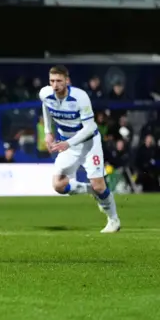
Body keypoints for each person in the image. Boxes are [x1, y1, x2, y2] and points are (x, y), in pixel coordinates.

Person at [40, 65, 120, 233]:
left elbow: (90, 127)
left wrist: (68, 143)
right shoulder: (45, 94)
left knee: (100, 186)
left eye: (59, 81)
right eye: (52, 81)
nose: (55, 85)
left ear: (67, 81)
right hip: (67, 144)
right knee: (59, 185)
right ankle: (93, 190)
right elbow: (46, 108)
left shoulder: (80, 97)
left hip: (89, 144)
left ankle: (113, 220)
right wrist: (48, 132)